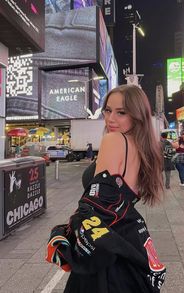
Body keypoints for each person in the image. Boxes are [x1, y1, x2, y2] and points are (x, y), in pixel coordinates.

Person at [46, 85, 166, 293]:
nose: (111, 118)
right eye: (108, 110)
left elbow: (96, 205)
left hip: (104, 249)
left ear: (138, 115)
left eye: (121, 112)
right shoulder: (144, 149)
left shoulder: (114, 140)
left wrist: (66, 233)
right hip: (126, 243)